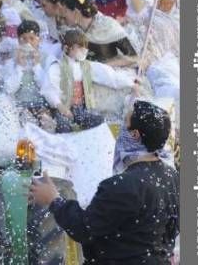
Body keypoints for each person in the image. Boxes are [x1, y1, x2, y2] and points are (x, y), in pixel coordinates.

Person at [30, 99, 179, 265]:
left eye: (125, 124)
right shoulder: (172, 178)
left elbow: (84, 229)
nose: (121, 131)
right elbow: (171, 230)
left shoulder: (122, 185)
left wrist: (53, 200)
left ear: (135, 135)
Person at [41, 29, 136, 131]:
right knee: (63, 126)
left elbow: (109, 76)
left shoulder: (86, 66)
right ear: (67, 48)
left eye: (85, 47)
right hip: (63, 108)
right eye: (79, 47)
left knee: (98, 122)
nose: (83, 50)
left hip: (81, 108)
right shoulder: (57, 66)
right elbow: (49, 89)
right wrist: (60, 106)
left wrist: (131, 83)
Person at [61, 0, 137, 67]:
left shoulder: (107, 26)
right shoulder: (76, 31)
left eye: (66, 12)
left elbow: (134, 57)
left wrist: (102, 67)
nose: (63, 15)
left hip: (114, 74)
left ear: (76, 12)